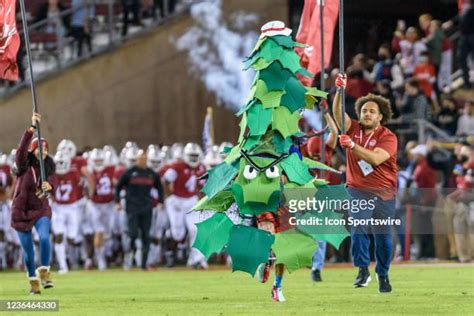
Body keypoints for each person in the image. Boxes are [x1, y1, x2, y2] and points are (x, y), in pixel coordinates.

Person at [333, 74, 398, 293]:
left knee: (383, 238)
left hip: (384, 192)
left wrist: (352, 146)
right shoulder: (354, 129)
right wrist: (339, 91)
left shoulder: (388, 137)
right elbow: (338, 115)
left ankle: (383, 273)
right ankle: (362, 269)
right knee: (358, 227)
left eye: (371, 111)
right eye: (363, 110)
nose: (367, 114)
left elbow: (376, 159)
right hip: (357, 189)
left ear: (381, 116)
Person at [10, 113, 58, 294]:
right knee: (28, 252)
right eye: (39, 149)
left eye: (45, 149)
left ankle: (45, 270)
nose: (43, 152)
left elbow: (54, 182)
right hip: (21, 212)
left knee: (45, 238)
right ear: (33, 150)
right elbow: (21, 150)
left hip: (40, 209)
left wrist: (50, 185)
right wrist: (31, 129)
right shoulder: (23, 164)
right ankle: (33, 280)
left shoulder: (49, 166)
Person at [115, 150, 164, 270]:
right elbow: (118, 187)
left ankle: (144, 264)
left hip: (147, 207)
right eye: (141, 159)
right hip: (132, 208)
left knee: (146, 235)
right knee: (132, 234)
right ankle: (130, 255)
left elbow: (160, 187)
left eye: (145, 159)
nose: (143, 161)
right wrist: (117, 201)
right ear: (137, 159)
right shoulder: (130, 173)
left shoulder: (151, 174)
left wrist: (161, 202)